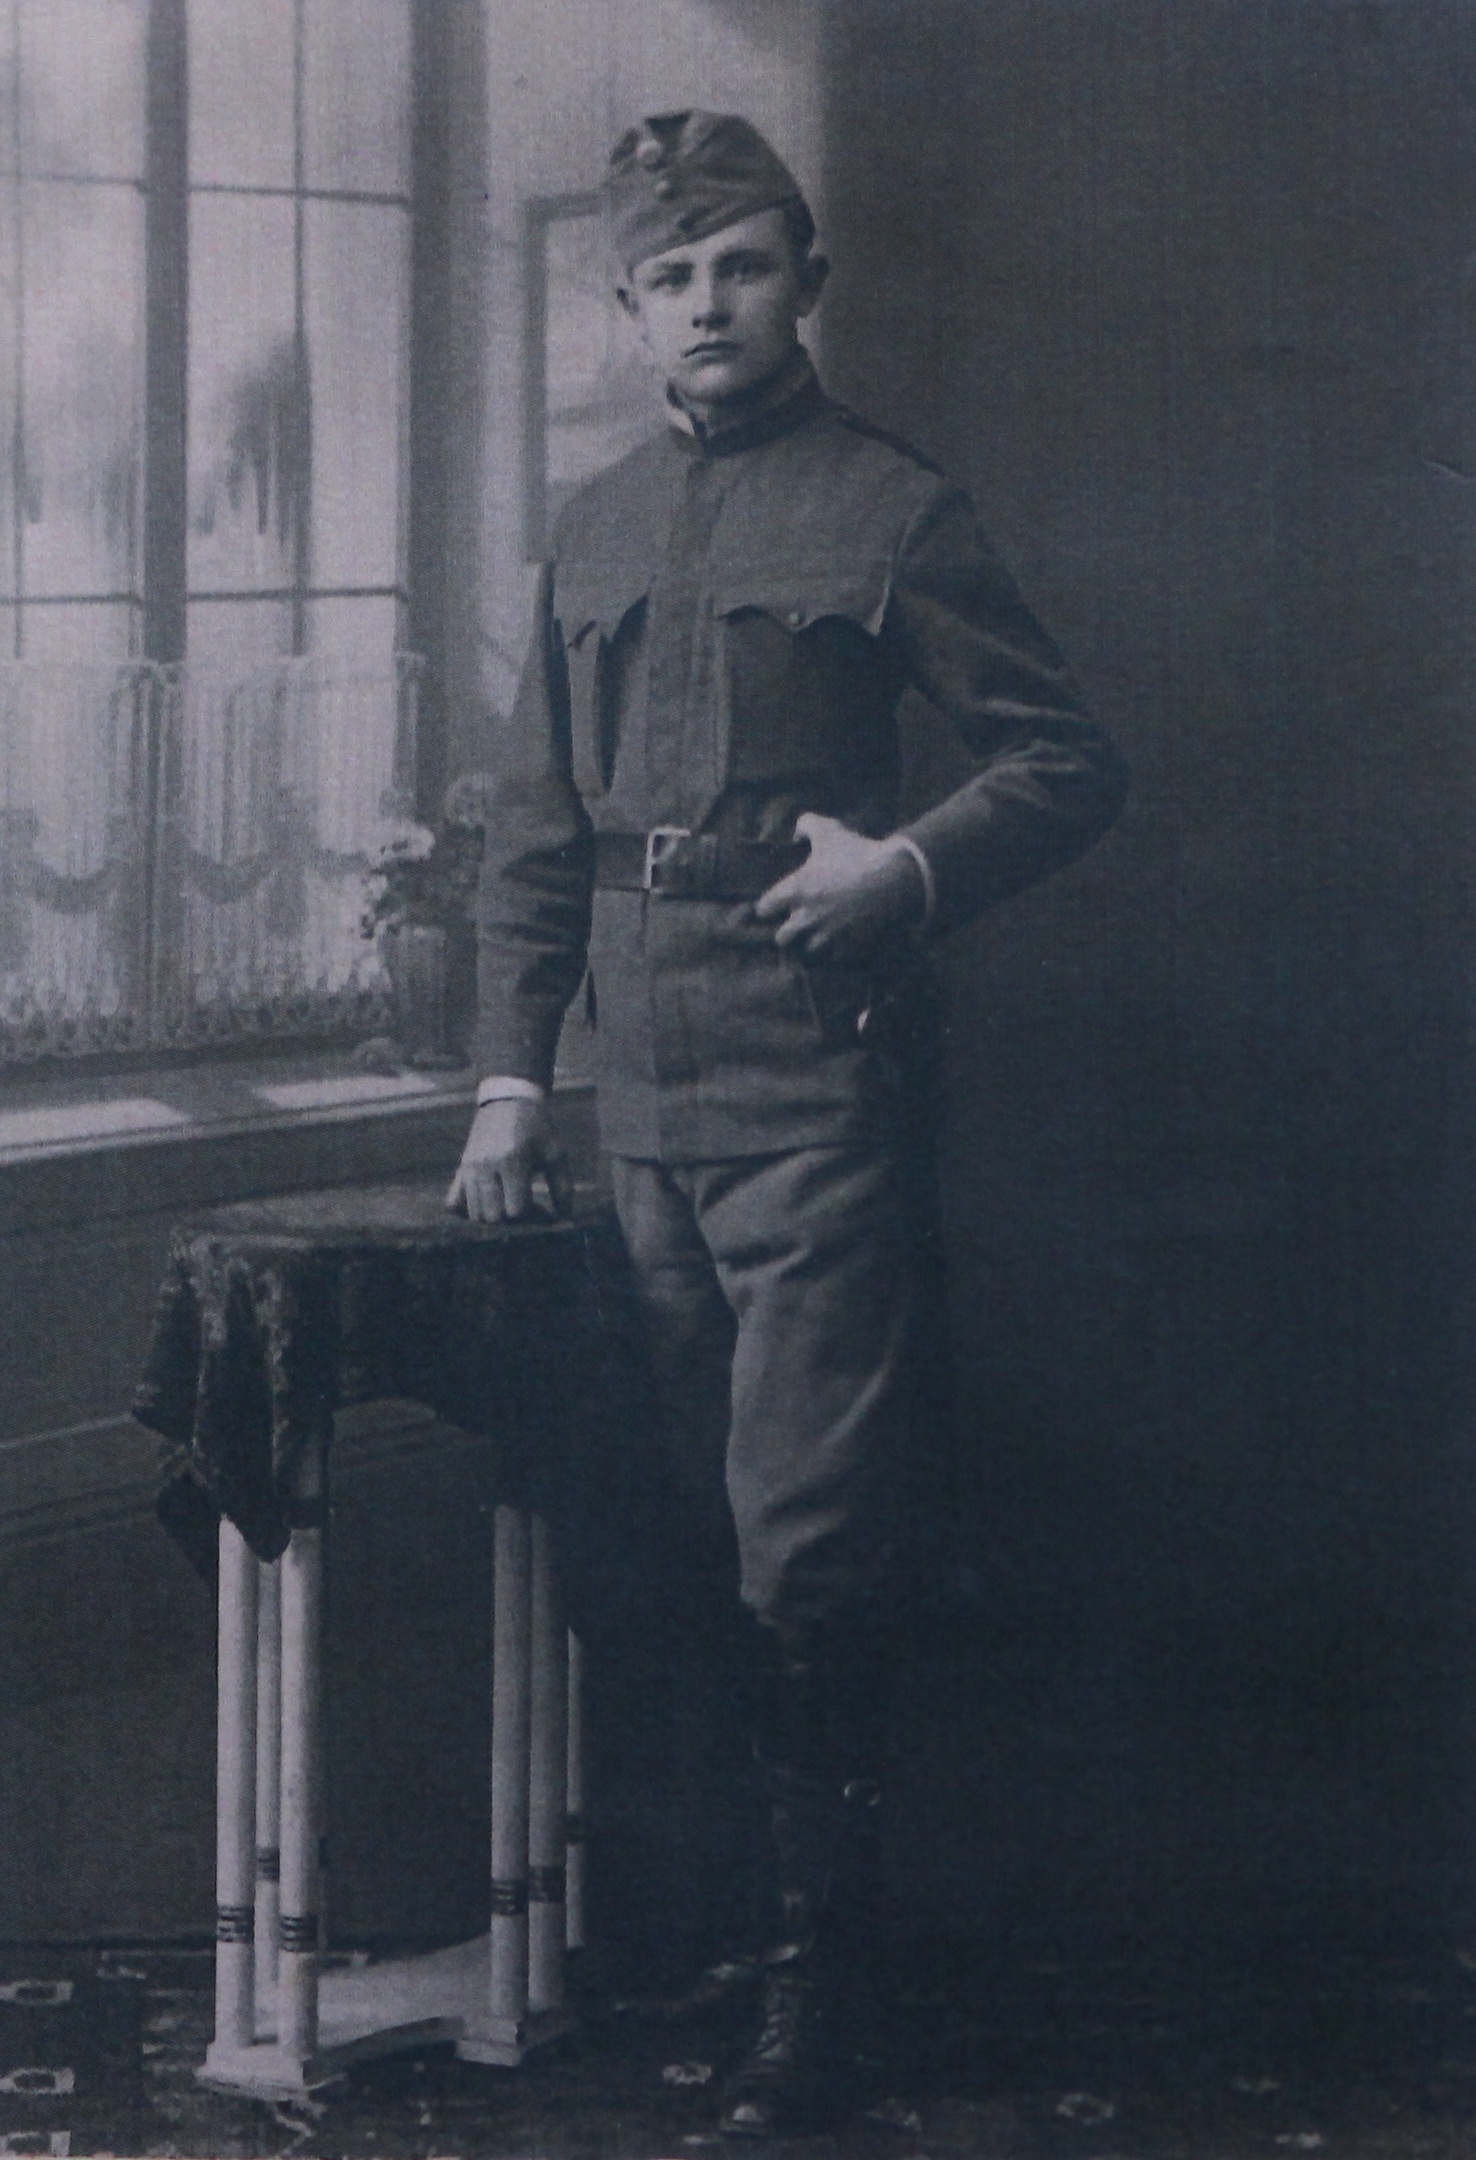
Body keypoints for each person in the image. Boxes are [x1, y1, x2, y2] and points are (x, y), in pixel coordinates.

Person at [449, 109, 1128, 2136]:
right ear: (626, 306)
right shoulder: (592, 525)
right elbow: (536, 835)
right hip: (636, 1106)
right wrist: (511, 1077)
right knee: (682, 1527)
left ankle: (824, 2003)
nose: (709, 304)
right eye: (671, 276)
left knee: (807, 1548)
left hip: (816, 1087)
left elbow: (1065, 762)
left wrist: (903, 872)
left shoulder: (892, 508)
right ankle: (743, 1938)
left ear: (805, 283)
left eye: (744, 265)